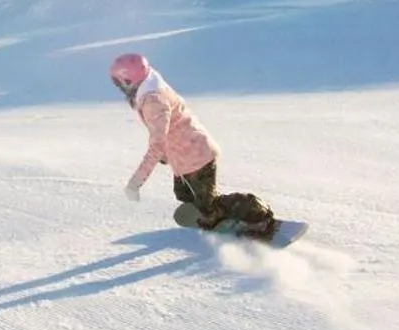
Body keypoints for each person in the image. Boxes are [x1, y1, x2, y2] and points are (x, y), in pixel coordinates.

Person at [109, 53, 277, 241]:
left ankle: (260, 216)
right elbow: (167, 127)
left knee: (208, 204)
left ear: (129, 81)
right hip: (183, 154)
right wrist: (167, 154)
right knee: (183, 193)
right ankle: (212, 213)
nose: (119, 88)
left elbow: (156, 144)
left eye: (118, 83)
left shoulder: (153, 101)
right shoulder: (149, 88)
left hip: (196, 156)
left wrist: (135, 183)